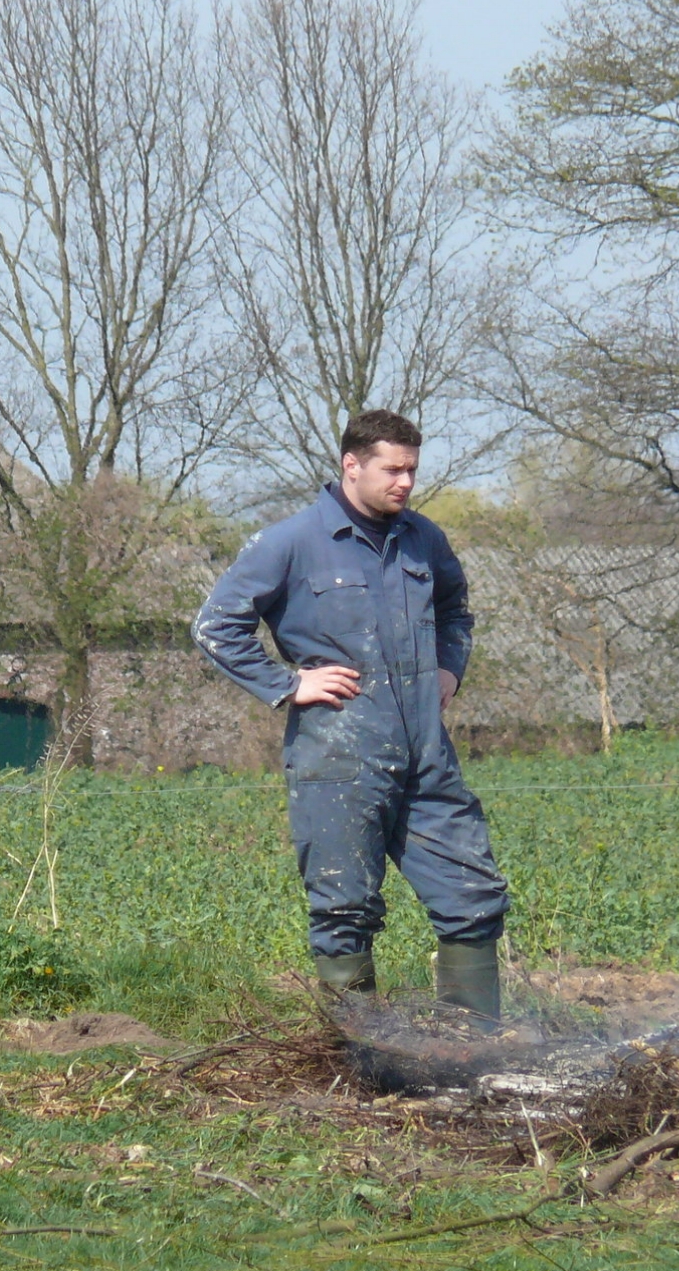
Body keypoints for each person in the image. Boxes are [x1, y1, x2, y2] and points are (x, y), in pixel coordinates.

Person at [192, 409, 511, 1020]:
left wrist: (450, 668)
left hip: (426, 752)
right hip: (338, 755)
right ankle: (361, 1055)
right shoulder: (290, 542)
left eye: (413, 470)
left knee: (472, 893)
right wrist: (287, 684)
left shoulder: (424, 539)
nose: (406, 483)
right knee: (344, 909)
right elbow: (214, 627)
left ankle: (473, 1053)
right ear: (352, 465)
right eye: (393, 469)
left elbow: (456, 610)